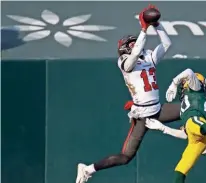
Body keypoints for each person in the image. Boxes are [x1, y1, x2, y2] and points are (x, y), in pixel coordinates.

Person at [75, 5, 184, 183]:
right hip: (142, 116)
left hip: (158, 109)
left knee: (192, 108)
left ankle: (200, 139)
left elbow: (166, 44)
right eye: (132, 44)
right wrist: (143, 29)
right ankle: (88, 169)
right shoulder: (125, 62)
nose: (136, 45)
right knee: (125, 156)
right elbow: (134, 54)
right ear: (125, 48)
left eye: (136, 42)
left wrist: (157, 25)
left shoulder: (148, 58)